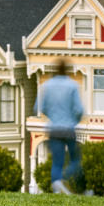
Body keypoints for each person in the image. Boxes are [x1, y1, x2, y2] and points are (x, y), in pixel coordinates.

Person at [36, 59, 84, 195]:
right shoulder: (72, 85)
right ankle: (65, 177)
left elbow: (40, 107)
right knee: (75, 159)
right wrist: (74, 120)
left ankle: (57, 183)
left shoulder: (47, 85)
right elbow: (79, 109)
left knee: (57, 161)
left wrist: (53, 116)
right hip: (69, 128)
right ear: (67, 70)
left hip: (54, 129)